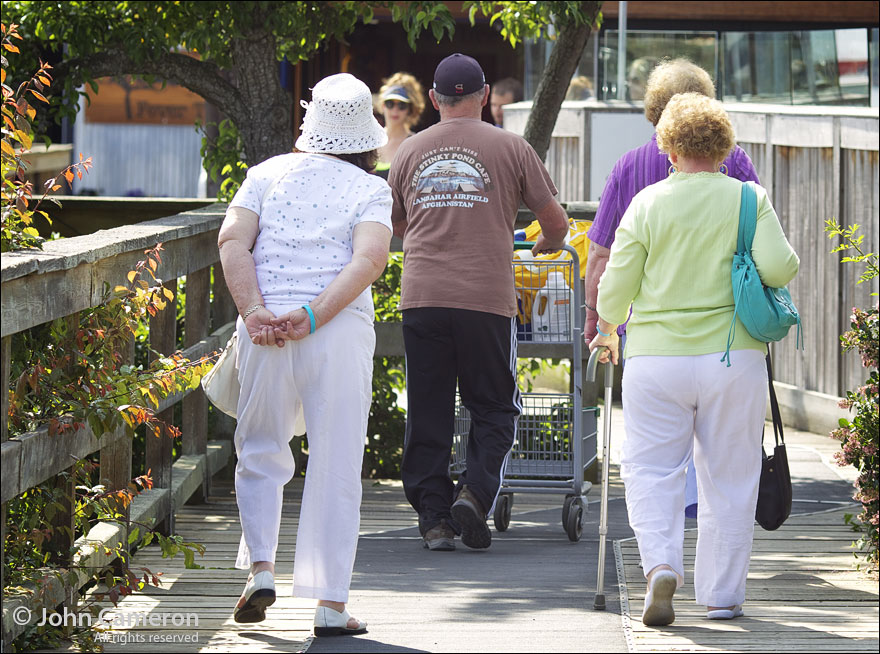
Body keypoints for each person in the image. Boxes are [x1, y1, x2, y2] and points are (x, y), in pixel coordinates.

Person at [589, 92, 799, 626]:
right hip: (733, 360)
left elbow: (614, 294)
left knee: (652, 469)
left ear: (668, 148)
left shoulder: (648, 202)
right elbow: (782, 269)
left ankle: (661, 564)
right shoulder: (749, 198)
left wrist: (609, 330)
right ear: (724, 147)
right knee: (730, 475)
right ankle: (723, 597)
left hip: (657, 359)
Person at [217, 73, 393, 636]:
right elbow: (369, 262)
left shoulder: (265, 175)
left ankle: (262, 571)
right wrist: (314, 315)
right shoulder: (370, 190)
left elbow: (231, 242)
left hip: (264, 327)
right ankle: (330, 605)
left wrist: (253, 311)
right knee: (336, 460)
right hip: (334, 331)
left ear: (309, 122)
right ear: (366, 134)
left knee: (261, 449)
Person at [387, 53, 569, 551]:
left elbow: (392, 224)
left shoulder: (408, 151)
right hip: (485, 300)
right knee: (493, 407)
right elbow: (556, 222)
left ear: (434, 99)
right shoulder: (512, 147)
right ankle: (474, 493)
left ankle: (434, 521)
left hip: (422, 297)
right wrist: (546, 245)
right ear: (484, 95)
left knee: (427, 411)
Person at [584, 58, 761, 517]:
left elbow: (601, 255)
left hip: (650, 333)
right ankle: (702, 512)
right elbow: (762, 238)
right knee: (717, 438)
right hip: (726, 331)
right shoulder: (734, 161)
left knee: (657, 444)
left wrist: (599, 322)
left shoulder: (628, 166)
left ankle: (665, 542)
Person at [375, 72, 426, 179]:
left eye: (402, 105)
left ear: (410, 109)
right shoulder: (371, 141)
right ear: (383, 105)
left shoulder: (416, 145)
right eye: (390, 103)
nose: (395, 110)